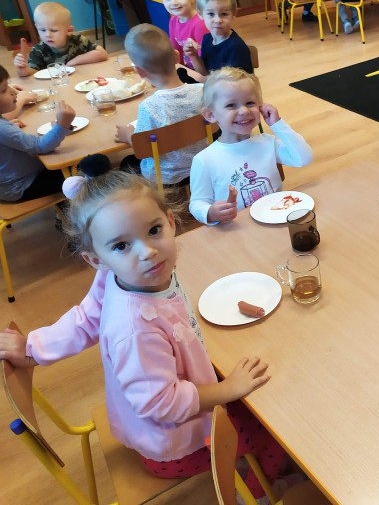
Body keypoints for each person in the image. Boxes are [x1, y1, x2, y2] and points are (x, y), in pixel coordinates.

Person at [0, 169, 290, 498]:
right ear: (96, 259)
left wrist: (33, 347)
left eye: (153, 230)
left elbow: (85, 318)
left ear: (170, 221)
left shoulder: (118, 276)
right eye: (121, 245)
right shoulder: (134, 329)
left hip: (163, 413)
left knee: (263, 400)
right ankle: (259, 492)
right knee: (272, 430)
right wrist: (228, 389)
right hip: (176, 444)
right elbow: (163, 404)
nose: (147, 251)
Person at [189, 67, 313, 225]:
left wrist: (278, 124)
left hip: (275, 219)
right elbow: (197, 203)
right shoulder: (204, 160)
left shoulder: (268, 142)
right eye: (231, 105)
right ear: (210, 114)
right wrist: (210, 213)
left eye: (250, 103)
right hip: (237, 228)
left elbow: (304, 158)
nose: (243, 110)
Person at [114, 24, 207, 186]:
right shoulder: (203, 91)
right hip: (203, 166)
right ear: (176, 56)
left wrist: (128, 136)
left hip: (167, 178)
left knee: (126, 163)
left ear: (139, 71)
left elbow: (144, 150)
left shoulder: (148, 107)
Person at [0, 64, 76, 202]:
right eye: (4, 89)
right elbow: (40, 146)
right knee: (84, 168)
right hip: (22, 185)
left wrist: (8, 129)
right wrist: (62, 125)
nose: (14, 91)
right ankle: (70, 208)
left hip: (12, 182)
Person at [13, 2, 107, 78]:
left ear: (69, 30)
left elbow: (102, 54)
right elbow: (32, 73)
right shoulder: (39, 50)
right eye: (42, 30)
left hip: (81, 79)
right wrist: (22, 69)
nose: (48, 35)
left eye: (54, 30)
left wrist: (73, 62)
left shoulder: (78, 40)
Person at [184, 0, 253, 77]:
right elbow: (205, 74)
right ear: (200, 14)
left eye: (224, 14)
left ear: (234, 14)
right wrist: (194, 56)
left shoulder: (236, 48)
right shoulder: (206, 39)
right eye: (211, 14)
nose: (218, 20)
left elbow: (237, 85)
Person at [158, 0, 208, 71]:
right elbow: (176, 52)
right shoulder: (173, 21)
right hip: (189, 69)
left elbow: (206, 62)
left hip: (203, 71)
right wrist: (178, 72)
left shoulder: (199, 24)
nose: (173, 2)